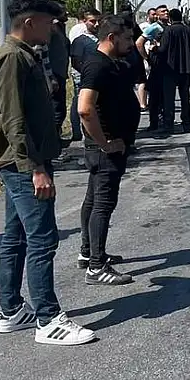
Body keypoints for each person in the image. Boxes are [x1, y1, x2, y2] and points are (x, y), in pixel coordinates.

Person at [0, 0, 96, 345]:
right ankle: (48, 320)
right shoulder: (12, 60)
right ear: (29, 22)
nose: (53, 30)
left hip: (23, 160)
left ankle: (11, 310)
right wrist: (35, 167)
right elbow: (13, 120)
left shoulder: (25, 55)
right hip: (23, 164)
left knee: (16, 237)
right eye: (49, 23)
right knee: (42, 239)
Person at [77, 15, 138, 286]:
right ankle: (96, 267)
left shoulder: (107, 63)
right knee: (103, 203)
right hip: (105, 148)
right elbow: (84, 108)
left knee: (93, 200)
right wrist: (105, 143)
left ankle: (88, 253)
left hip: (110, 145)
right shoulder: (97, 65)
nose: (130, 44)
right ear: (111, 38)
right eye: (126, 39)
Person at [156, 8, 190, 134]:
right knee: (185, 97)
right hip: (186, 70)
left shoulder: (168, 31)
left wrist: (154, 49)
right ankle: (186, 123)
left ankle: (169, 124)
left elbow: (163, 49)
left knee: (169, 98)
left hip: (170, 69)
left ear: (170, 18)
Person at [68, 9, 100, 142]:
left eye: (99, 21)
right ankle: (78, 133)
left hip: (98, 78)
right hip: (82, 78)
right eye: (93, 21)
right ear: (85, 22)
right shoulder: (80, 41)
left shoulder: (101, 38)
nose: (97, 24)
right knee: (81, 105)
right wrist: (88, 74)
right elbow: (75, 62)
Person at [138, 4, 169, 132]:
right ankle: (154, 122)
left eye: (167, 11)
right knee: (155, 94)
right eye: (163, 11)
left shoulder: (169, 27)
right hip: (157, 65)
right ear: (157, 15)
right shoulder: (154, 28)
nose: (166, 13)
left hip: (167, 65)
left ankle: (164, 118)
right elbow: (139, 42)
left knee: (165, 95)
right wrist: (147, 58)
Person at [47, 12, 71, 145]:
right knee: (56, 110)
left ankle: (57, 140)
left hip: (60, 74)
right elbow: (44, 54)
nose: (66, 13)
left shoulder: (60, 27)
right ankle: (53, 143)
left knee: (60, 110)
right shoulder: (52, 28)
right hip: (54, 75)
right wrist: (50, 76)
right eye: (62, 10)